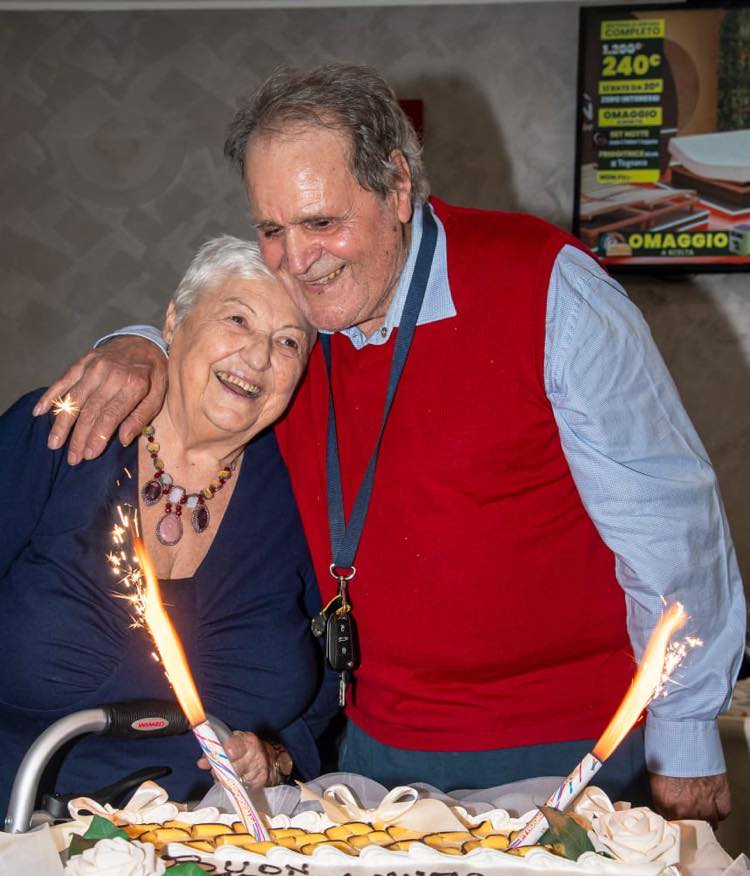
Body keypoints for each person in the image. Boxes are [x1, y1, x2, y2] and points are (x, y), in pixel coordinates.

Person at [35, 64, 745, 822]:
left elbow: (671, 526)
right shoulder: (297, 332)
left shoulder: (544, 286)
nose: (297, 259)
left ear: (398, 187)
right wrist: (140, 344)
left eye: (320, 223)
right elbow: (211, 349)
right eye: (271, 229)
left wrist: (687, 738)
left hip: (570, 752)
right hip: (371, 755)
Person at [0, 235, 337, 820]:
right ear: (174, 322)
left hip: (215, 847)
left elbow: (333, 672)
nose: (257, 358)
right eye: (237, 318)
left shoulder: (302, 485)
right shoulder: (65, 429)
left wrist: (278, 754)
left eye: (287, 342)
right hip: (20, 829)